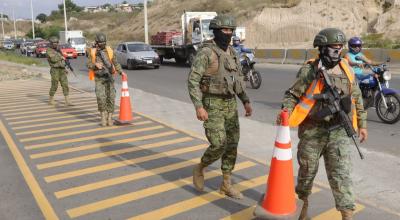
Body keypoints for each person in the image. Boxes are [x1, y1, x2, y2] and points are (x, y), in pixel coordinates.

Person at [279, 28, 368, 220]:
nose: (337, 50)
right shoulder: (310, 70)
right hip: (313, 129)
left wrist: (362, 124)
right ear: (322, 48)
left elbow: (357, 99)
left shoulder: (347, 69)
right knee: (307, 172)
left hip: (339, 132)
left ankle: (347, 215)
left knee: (341, 175)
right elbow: (292, 94)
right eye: (332, 47)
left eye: (339, 47)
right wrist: (285, 112)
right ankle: (303, 207)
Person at [188, 15, 253, 199]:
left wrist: (245, 101)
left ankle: (226, 184)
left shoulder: (232, 52)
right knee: (219, 144)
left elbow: (237, 80)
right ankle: (200, 167)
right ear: (216, 31)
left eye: (231, 30)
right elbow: (193, 81)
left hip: (230, 104)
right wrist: (198, 106)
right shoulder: (206, 53)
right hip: (212, 104)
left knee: (232, 145)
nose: (228, 33)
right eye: (224, 30)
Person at [87, 33, 122, 126]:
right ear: (97, 42)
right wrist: (95, 65)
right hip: (99, 78)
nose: (102, 44)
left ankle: (109, 117)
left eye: (104, 42)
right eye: (100, 42)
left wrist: (121, 72)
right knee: (100, 98)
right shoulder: (92, 51)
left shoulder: (110, 50)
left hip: (109, 77)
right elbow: (88, 64)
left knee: (111, 97)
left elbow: (116, 63)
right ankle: (103, 116)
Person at [46, 36, 71, 106]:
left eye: (57, 43)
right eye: (54, 43)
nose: (56, 44)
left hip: (62, 69)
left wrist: (65, 68)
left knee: (65, 84)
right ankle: (51, 100)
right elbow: (53, 59)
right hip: (55, 70)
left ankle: (67, 100)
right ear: (51, 43)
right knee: (54, 85)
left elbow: (62, 60)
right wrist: (61, 57)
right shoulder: (49, 50)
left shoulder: (58, 50)